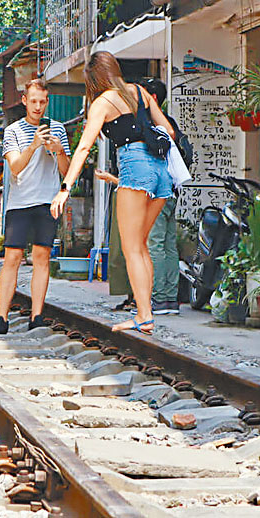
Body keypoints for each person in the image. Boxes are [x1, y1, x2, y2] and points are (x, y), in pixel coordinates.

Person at [51, 52, 175, 335]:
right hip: (160, 172)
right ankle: (146, 314)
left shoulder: (102, 103)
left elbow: (83, 148)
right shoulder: (140, 92)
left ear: (93, 79)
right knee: (141, 246)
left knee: (132, 248)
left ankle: (144, 315)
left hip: (134, 166)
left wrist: (64, 188)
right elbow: (168, 130)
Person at [0, 78, 70, 335]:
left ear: (47, 102)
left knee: (42, 257)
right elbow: (15, 167)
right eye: (33, 101)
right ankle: (2, 318)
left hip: (47, 201)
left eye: (42, 102)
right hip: (20, 203)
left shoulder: (58, 129)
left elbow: (67, 172)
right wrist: (33, 145)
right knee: (13, 257)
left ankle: (37, 316)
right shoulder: (13, 131)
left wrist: (59, 152)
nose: (38, 107)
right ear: (24, 101)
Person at [139, 77, 181, 316]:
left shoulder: (152, 126)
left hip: (157, 191)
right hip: (172, 190)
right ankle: (171, 298)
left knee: (154, 244)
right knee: (168, 244)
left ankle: (159, 298)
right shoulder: (170, 123)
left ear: (152, 99)